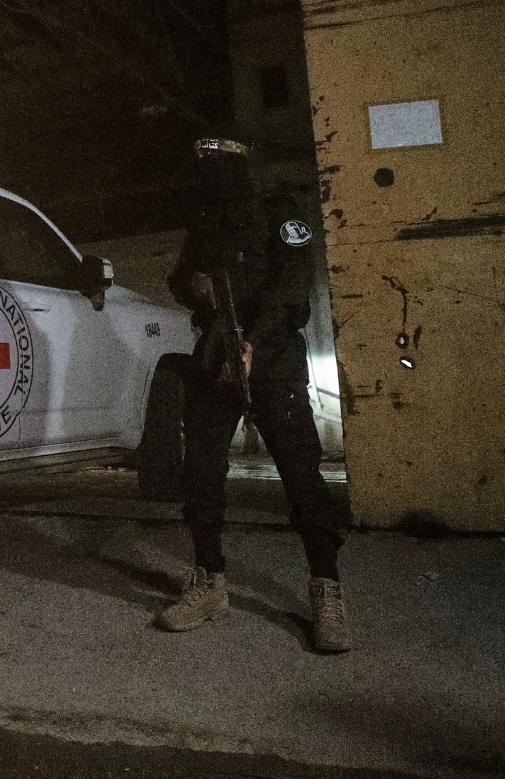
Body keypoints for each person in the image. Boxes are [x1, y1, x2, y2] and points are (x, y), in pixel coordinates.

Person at [157, 134, 350, 652]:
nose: (205, 175)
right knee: (200, 471)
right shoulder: (205, 221)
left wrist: (253, 342)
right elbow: (181, 277)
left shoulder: (279, 213)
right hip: (215, 355)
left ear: (238, 167)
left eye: (214, 164)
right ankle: (209, 580)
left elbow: (293, 288)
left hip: (272, 359)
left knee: (302, 475)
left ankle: (326, 589)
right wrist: (189, 286)